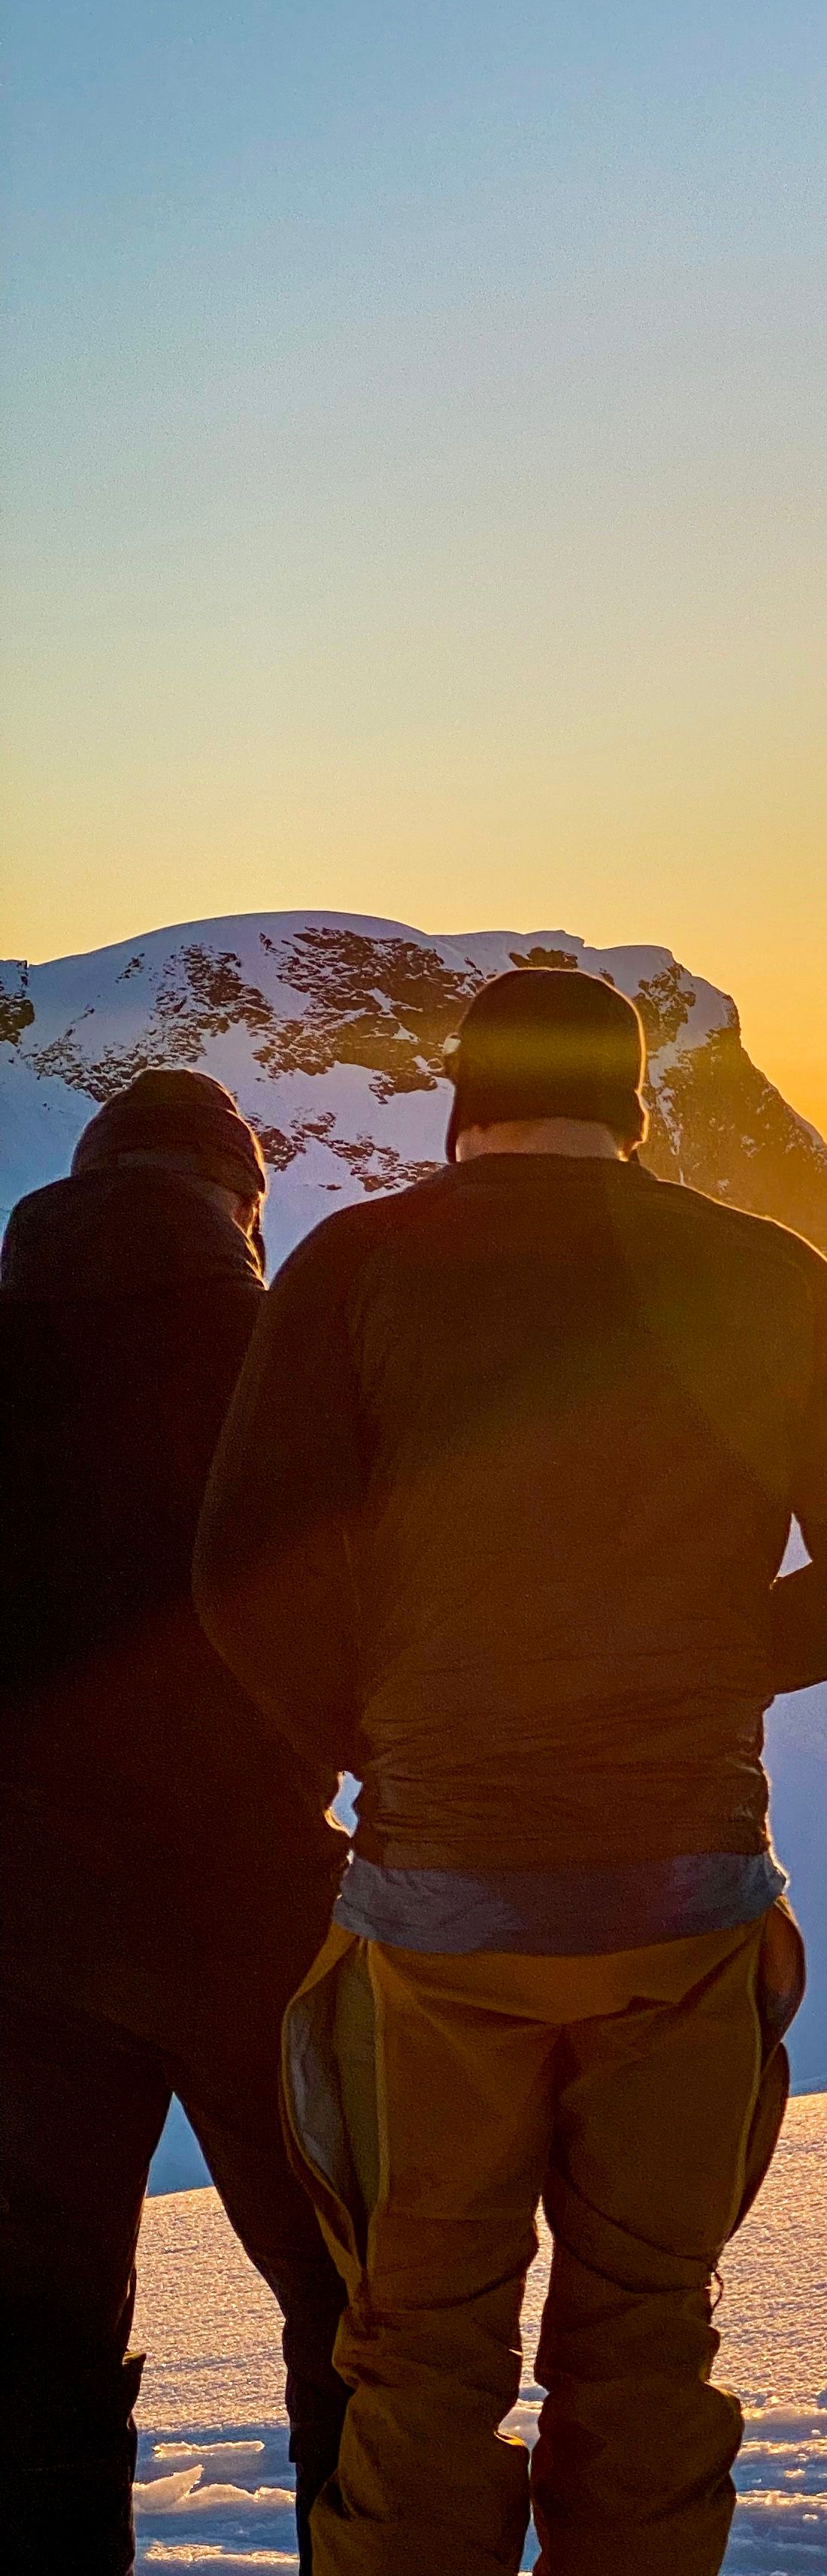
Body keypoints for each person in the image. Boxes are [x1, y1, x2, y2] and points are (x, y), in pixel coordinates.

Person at [192, 966, 827, 2576]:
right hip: (685, 1900)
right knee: (647, 2337)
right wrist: (700, 1667)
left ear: (462, 1104)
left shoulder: (356, 1268)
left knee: (420, 2349)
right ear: (638, 1110)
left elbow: (238, 1567)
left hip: (439, 1909)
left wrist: (378, 1730)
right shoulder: (767, 1275)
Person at [0, 1069, 350, 2576]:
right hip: (256, 1908)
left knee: (32, 2337)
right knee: (360, 2310)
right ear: (240, 1204)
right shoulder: (286, 1353)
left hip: (20, 1932)